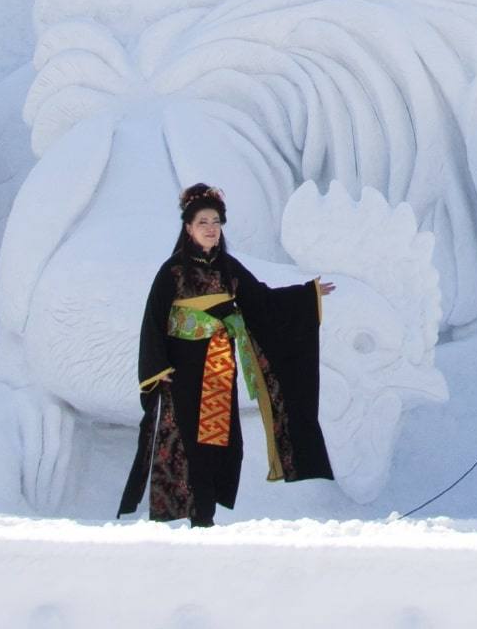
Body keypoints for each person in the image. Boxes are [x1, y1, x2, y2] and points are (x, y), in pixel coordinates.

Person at [117, 182, 335, 525]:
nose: (210, 229)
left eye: (216, 222)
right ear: (188, 227)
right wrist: (158, 367)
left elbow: (262, 302)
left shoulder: (229, 270)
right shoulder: (171, 272)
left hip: (220, 368)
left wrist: (306, 295)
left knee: (216, 442)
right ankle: (189, 515)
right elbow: (153, 322)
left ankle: (205, 516)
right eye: (203, 222)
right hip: (184, 373)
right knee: (185, 443)